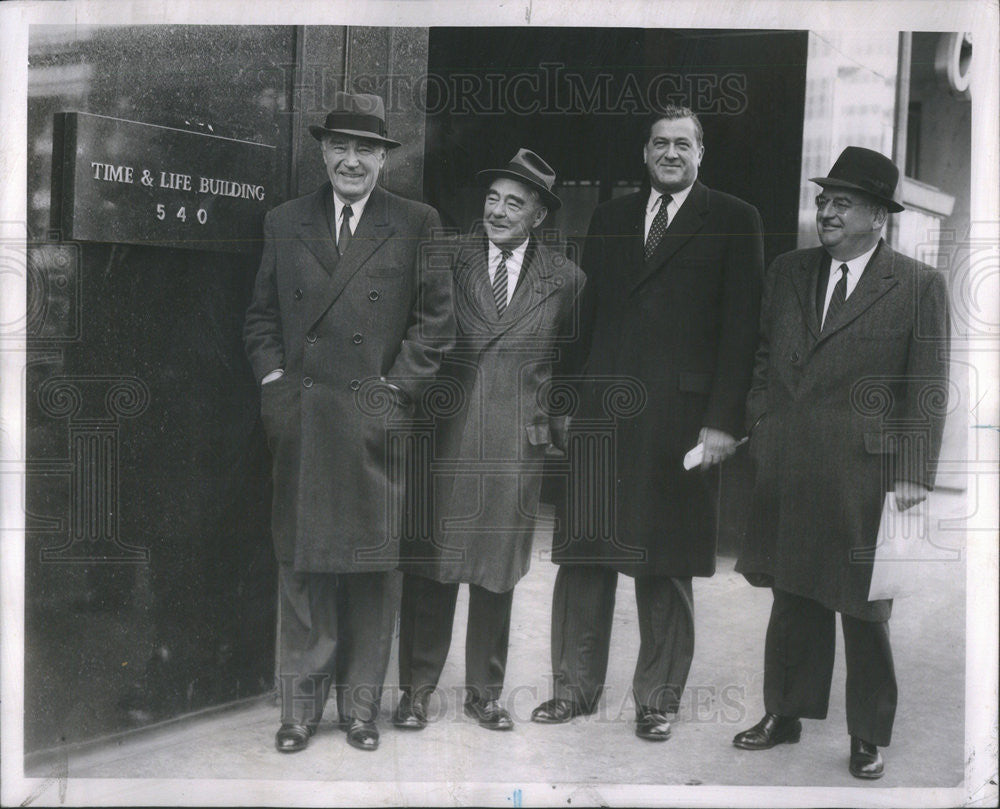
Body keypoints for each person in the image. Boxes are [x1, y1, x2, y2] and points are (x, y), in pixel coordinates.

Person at [531, 105, 764, 740]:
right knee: (585, 553)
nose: (669, 153)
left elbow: (742, 333)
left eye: (681, 144)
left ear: (700, 153)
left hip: (682, 422)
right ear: (644, 153)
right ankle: (573, 690)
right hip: (604, 413)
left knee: (666, 560)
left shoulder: (736, 220)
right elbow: (585, 321)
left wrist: (723, 422)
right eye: (659, 143)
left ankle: (656, 701)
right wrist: (563, 402)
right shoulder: (608, 219)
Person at [243, 91, 454, 753]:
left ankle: (360, 710)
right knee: (302, 565)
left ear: (384, 158)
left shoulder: (416, 221)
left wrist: (395, 392)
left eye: (367, 149)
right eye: (341, 146)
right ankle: (298, 711)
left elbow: (435, 326)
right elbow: (260, 320)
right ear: (324, 151)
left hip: (372, 419)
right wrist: (275, 384)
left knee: (370, 567)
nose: (352, 159)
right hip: (303, 416)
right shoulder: (286, 220)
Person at [733, 146, 950, 779]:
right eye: (824, 199)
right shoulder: (789, 270)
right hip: (792, 460)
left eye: (843, 202)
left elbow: (927, 387)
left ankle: (868, 734)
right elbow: (765, 356)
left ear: (880, 217)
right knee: (793, 592)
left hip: (867, 472)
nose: (826, 210)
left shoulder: (918, 285)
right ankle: (786, 713)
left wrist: (913, 471)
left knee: (864, 607)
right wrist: (762, 422)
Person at [395, 149, 585, 732]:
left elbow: (568, 363)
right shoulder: (448, 257)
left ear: (539, 216)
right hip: (448, 434)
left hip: (513, 446)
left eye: (515, 202)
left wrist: (550, 420)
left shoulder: (567, 279)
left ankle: (485, 693)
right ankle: (415, 692)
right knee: (432, 565)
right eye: (492, 199)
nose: (498, 212)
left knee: (497, 571)